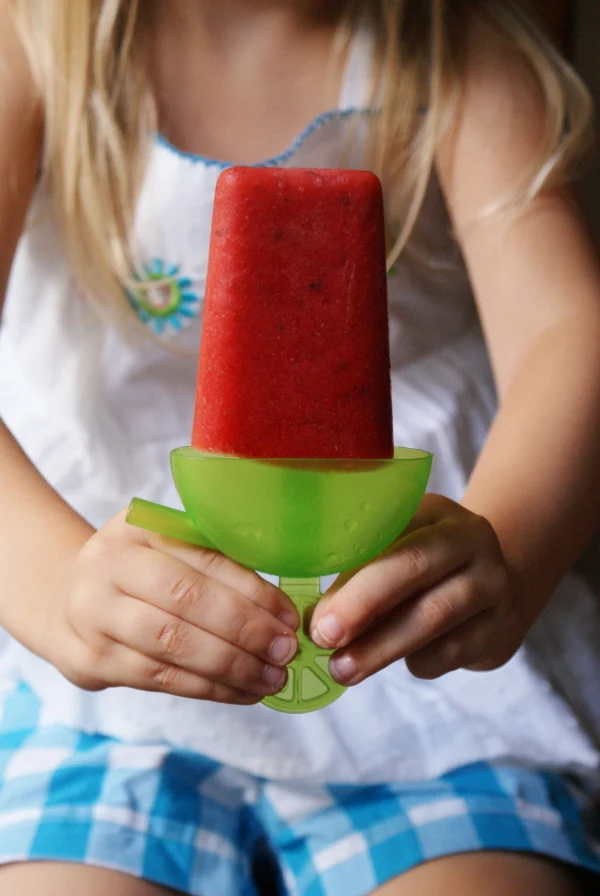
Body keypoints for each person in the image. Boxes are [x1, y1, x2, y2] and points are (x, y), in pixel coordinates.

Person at [0, 1, 599, 894]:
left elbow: (566, 332)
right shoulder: (33, 36)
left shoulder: (459, 46)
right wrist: (55, 592)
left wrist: (507, 550)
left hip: (410, 662)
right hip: (106, 668)